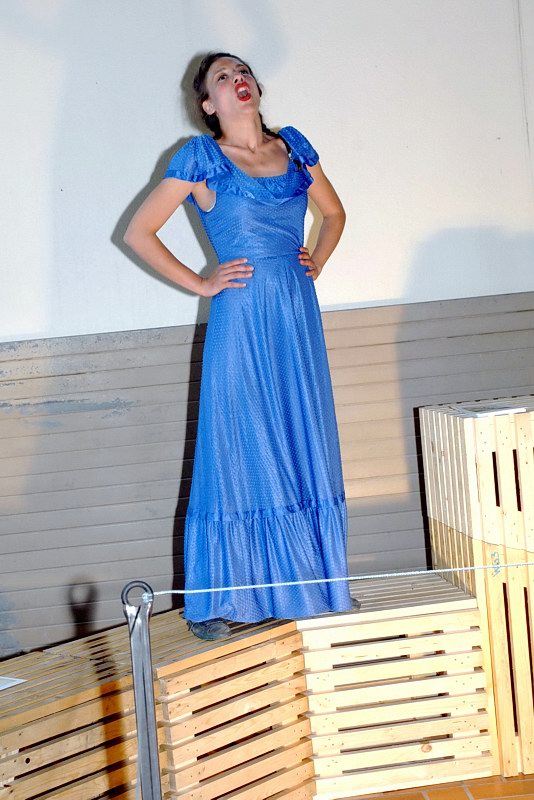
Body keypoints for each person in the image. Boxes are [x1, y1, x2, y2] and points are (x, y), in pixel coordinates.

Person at [124, 52, 354, 640]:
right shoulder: (200, 159)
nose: (237, 80)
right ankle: (220, 600)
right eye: (222, 78)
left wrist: (317, 260)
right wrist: (202, 282)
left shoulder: (294, 149)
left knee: (300, 433)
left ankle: (308, 584)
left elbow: (334, 214)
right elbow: (138, 232)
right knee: (238, 446)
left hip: (296, 315)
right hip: (242, 317)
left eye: (242, 71)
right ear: (208, 103)